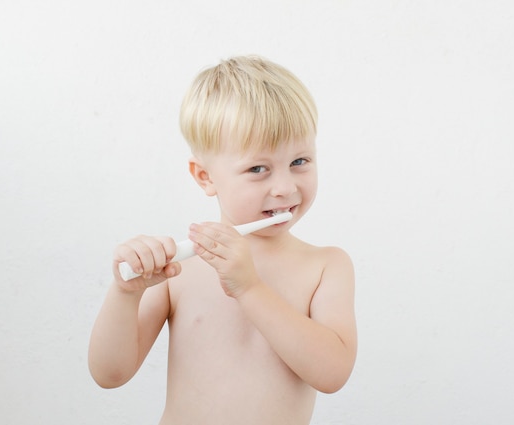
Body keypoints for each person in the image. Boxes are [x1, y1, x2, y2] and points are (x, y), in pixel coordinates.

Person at [88, 55, 357, 425]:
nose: (285, 187)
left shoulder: (325, 266)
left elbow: (332, 374)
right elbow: (109, 374)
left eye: (299, 161)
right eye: (258, 169)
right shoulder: (179, 269)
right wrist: (125, 294)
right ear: (205, 177)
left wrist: (249, 287)